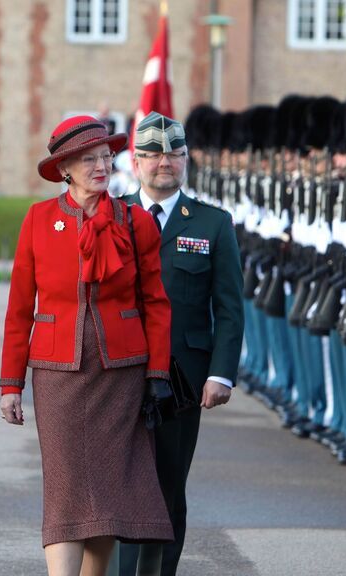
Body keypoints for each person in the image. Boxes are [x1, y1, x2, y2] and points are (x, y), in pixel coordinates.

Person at [0, 115, 174, 576]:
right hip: (58, 373)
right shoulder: (38, 219)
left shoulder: (134, 221)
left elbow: (156, 303)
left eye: (105, 157)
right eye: (87, 159)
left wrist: (157, 374)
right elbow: (19, 308)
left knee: (109, 492)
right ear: (64, 169)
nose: (101, 166)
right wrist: (11, 385)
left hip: (122, 373)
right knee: (66, 488)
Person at [115, 111, 244, 576]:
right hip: (120, 372)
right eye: (151, 154)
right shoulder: (113, 216)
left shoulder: (212, 223)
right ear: (135, 161)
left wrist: (221, 372)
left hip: (184, 380)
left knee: (168, 487)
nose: (162, 162)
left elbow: (229, 307)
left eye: (173, 154)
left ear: (186, 159)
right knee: (120, 484)